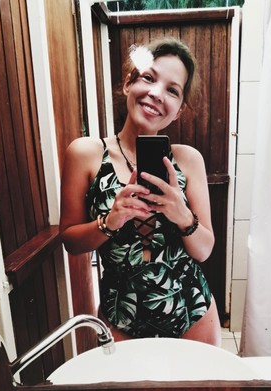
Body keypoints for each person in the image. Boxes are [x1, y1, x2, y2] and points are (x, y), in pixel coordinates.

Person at [59, 38, 221, 346]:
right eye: (148, 78)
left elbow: (204, 250)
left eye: (172, 90)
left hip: (191, 313)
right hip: (121, 318)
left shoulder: (189, 160)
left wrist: (183, 216)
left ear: (179, 110)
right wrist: (110, 221)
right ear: (128, 84)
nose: (157, 93)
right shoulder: (85, 154)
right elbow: (70, 240)